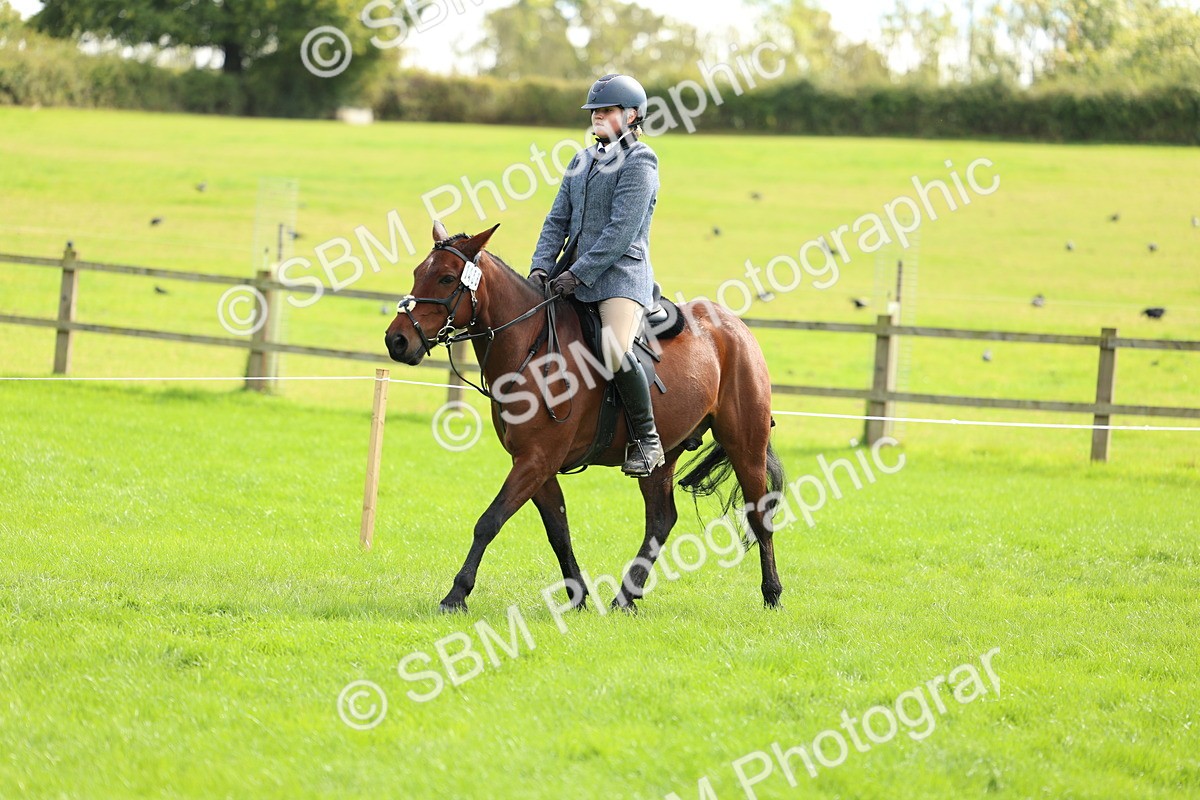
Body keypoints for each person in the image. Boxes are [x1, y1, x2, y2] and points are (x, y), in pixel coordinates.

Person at [528, 73, 664, 478]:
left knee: (613, 348)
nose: (598, 116)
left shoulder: (641, 161)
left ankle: (647, 439)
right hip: (570, 274)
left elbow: (620, 232)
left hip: (619, 278)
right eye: (595, 111)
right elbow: (557, 220)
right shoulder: (581, 160)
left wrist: (578, 274)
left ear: (632, 115)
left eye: (607, 110)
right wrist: (540, 266)